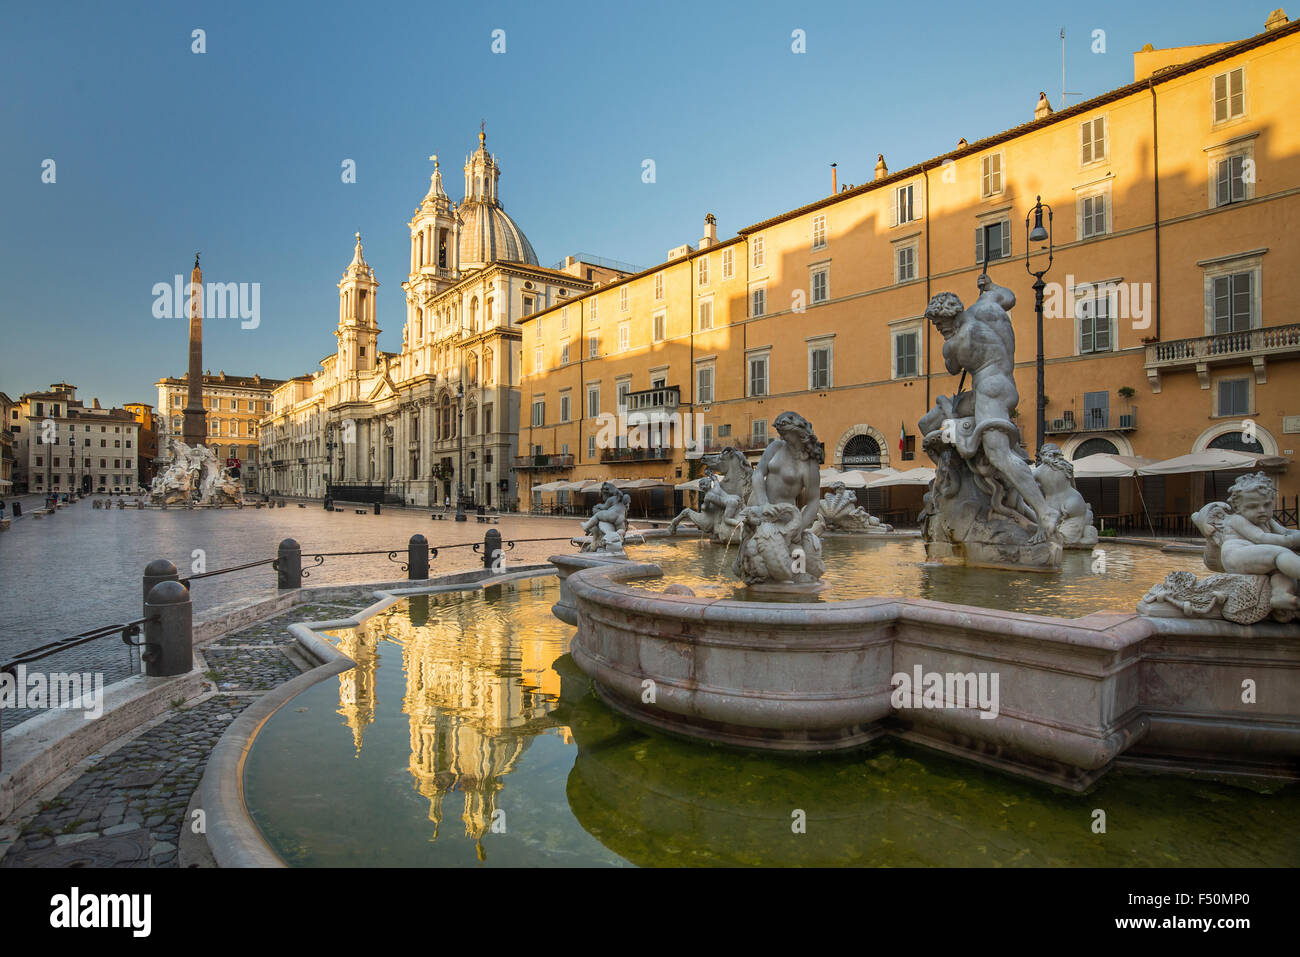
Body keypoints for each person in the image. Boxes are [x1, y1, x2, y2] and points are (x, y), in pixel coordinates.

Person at [925, 275, 1060, 543]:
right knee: (928, 423)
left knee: (999, 454)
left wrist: (949, 347)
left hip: (989, 389)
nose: (939, 329)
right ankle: (950, 483)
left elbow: (952, 368)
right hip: (1002, 386)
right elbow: (1008, 295)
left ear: (950, 318)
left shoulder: (954, 343)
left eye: (939, 324)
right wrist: (989, 287)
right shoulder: (986, 306)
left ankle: (1045, 512)